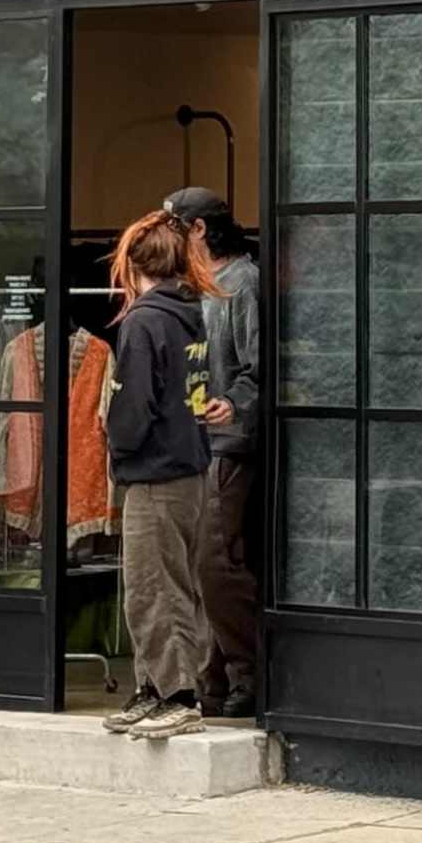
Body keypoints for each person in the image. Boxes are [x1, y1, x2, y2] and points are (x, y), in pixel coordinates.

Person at [102, 209, 218, 740]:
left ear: (132, 263)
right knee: (173, 583)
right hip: (189, 467)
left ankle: (176, 694)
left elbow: (133, 409)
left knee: (152, 588)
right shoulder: (188, 314)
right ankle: (154, 688)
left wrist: (117, 447)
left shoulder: (143, 322)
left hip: (155, 472)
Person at [176, 186, 264, 720]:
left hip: (229, 446)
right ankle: (212, 678)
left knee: (215, 561)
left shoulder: (243, 285)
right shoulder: (199, 288)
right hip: (197, 445)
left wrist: (233, 402)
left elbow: (262, 364)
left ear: (199, 230)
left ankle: (248, 671)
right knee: (201, 563)